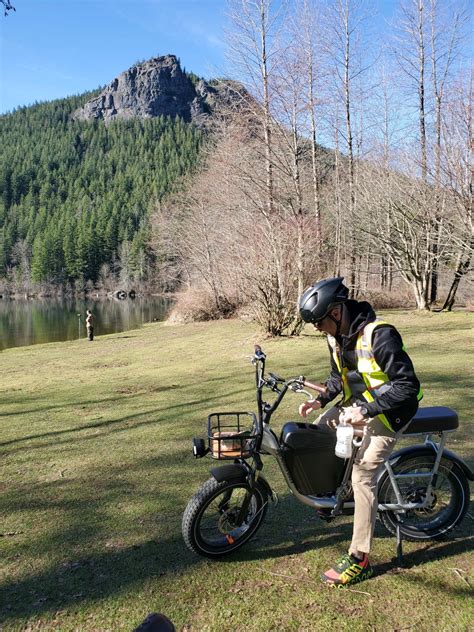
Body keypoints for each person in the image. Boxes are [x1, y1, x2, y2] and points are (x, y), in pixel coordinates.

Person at [298, 277, 422, 587]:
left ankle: (359, 558)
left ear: (336, 313)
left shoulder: (380, 335)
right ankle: (339, 495)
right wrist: (320, 399)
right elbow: (339, 378)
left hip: (393, 413)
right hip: (362, 405)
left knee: (363, 474)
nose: (317, 328)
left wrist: (365, 411)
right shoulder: (336, 338)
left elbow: (408, 386)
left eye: (318, 322)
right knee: (319, 431)